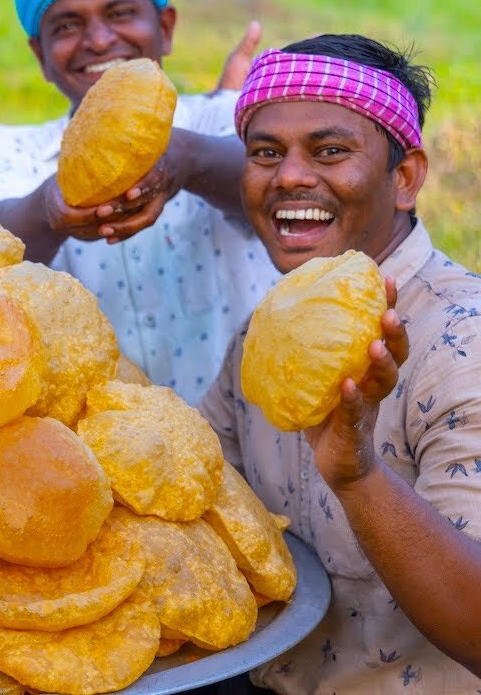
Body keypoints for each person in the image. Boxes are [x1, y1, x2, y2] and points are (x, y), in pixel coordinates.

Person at [199, 35, 481, 692]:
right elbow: (205, 499)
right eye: (265, 152)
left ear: (405, 178)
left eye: (329, 151)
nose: (289, 176)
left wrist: (359, 478)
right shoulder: (263, 334)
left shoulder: (463, 348)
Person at [0, 0, 277, 404]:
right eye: (67, 26)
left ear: (164, 28)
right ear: (40, 54)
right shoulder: (16, 152)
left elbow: (276, 180)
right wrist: (49, 208)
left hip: (251, 422)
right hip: (104, 444)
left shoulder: (223, 117)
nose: (98, 40)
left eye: (121, 13)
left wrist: (187, 157)